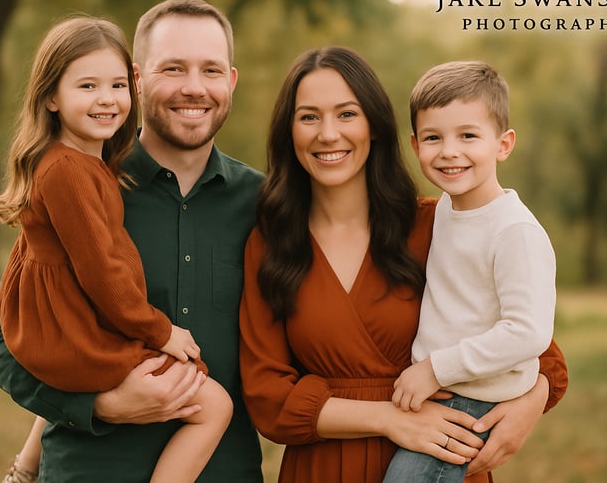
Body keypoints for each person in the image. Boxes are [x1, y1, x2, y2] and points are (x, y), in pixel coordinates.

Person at [238, 46, 568, 483]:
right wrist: (389, 419)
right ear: (289, 132)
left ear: (374, 125)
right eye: (309, 117)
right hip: (323, 467)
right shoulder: (272, 243)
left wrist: (528, 405)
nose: (328, 134)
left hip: (442, 456)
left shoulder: (437, 224)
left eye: (347, 114)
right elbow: (268, 397)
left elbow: (539, 351)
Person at [0, 0, 265, 482]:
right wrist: (98, 403)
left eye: (210, 70)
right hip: (89, 468)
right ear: (138, 78)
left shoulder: (265, 203)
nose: (194, 88)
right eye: (173, 68)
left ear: (230, 80)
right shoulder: (83, 185)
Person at [382, 61, 557, 483]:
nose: (449, 151)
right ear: (414, 144)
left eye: (468, 136)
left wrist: (434, 369)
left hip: (471, 402)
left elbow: (528, 332)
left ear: (503, 144)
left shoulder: (514, 231)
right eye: (433, 138)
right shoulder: (444, 209)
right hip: (443, 397)